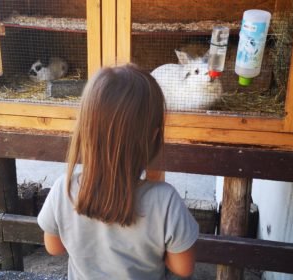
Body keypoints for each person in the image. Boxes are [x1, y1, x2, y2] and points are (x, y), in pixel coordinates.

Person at [37, 64, 199, 279]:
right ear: (153, 137)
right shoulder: (165, 200)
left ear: (85, 131)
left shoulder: (63, 188)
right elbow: (183, 267)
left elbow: (54, 247)